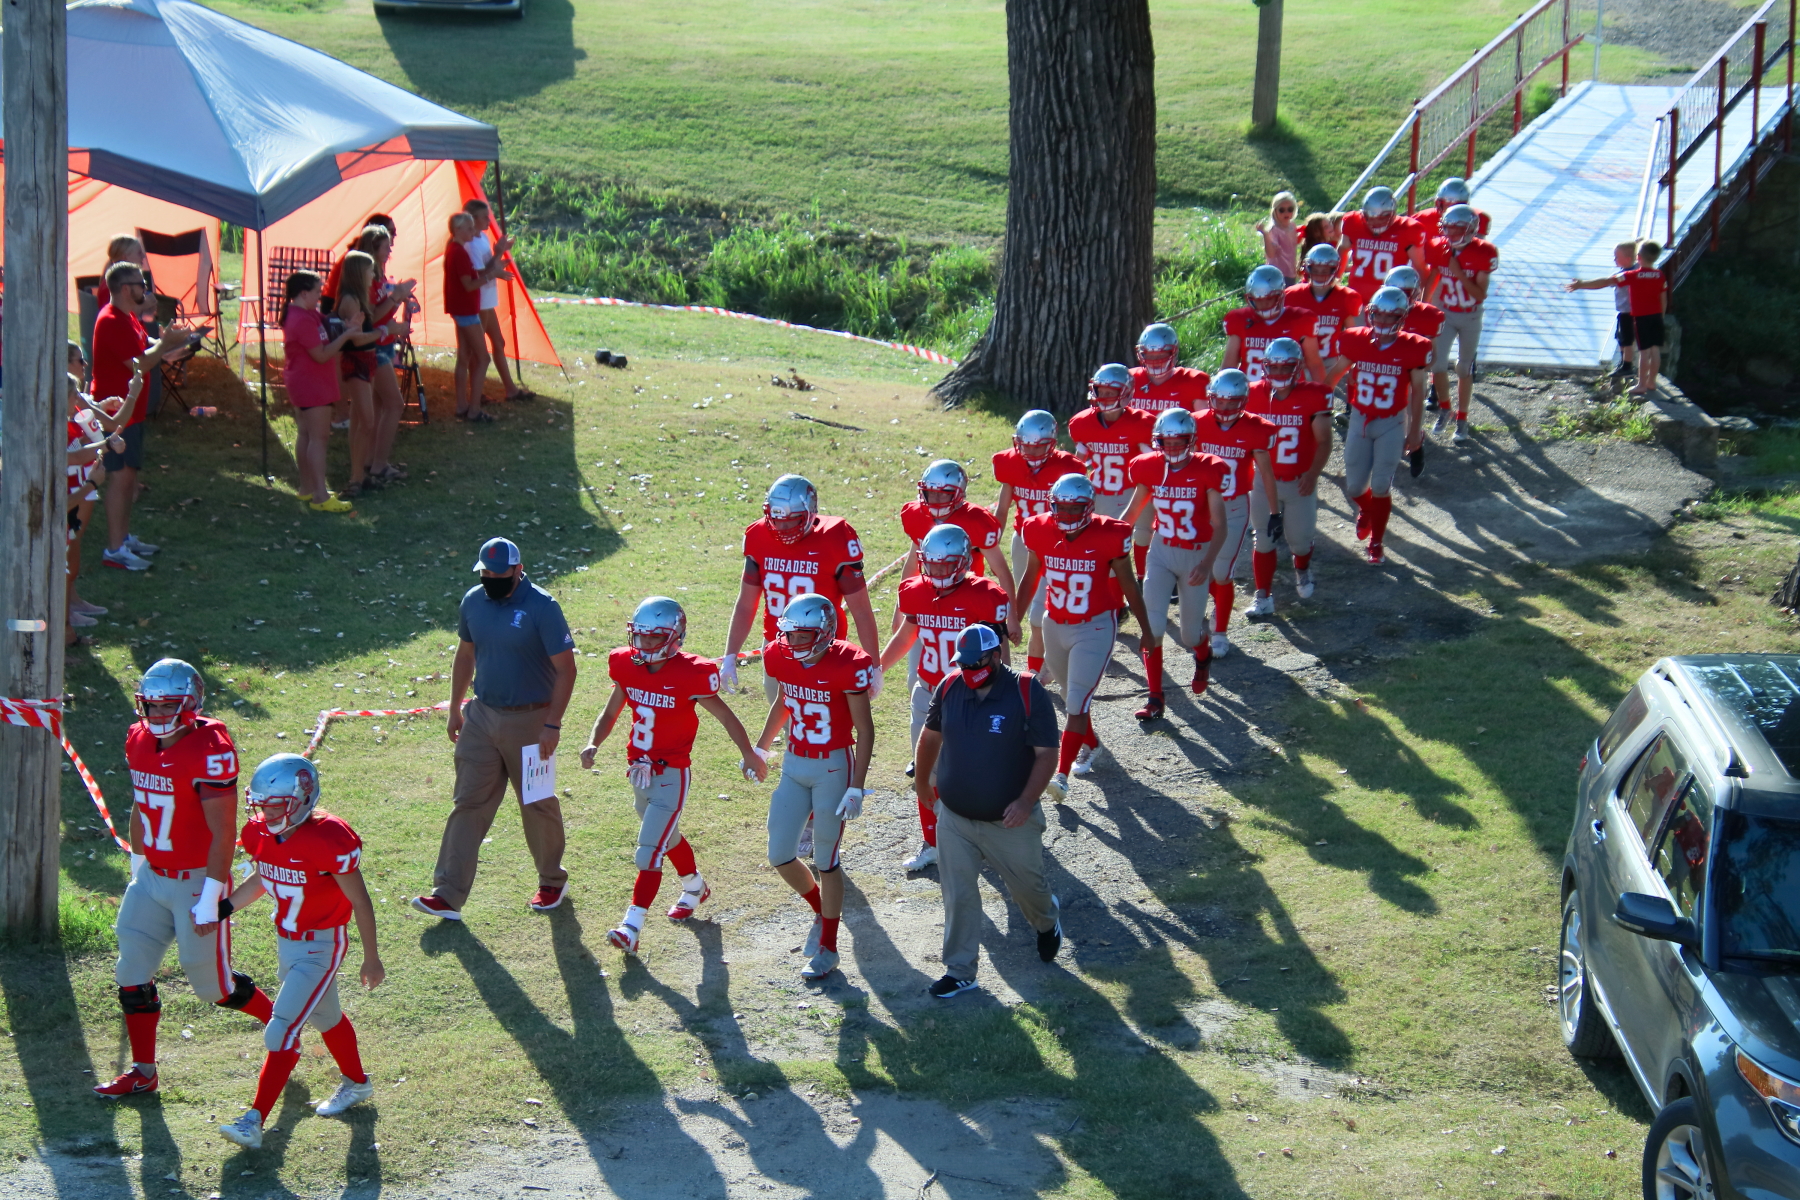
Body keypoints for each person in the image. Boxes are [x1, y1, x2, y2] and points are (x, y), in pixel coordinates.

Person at [95, 659, 275, 1098]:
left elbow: (223, 831)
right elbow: (141, 804)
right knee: (131, 971)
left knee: (213, 987)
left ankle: (281, 1023)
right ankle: (143, 1072)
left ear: (191, 703)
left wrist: (212, 896)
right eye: (150, 707)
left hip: (197, 880)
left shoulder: (210, 748)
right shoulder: (138, 739)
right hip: (153, 878)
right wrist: (139, 870)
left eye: (167, 707)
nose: (156, 717)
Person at [580, 596, 767, 954]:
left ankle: (631, 926)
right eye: (641, 636)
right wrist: (593, 743)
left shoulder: (691, 672)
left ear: (674, 637)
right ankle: (695, 886)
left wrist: (748, 753)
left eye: (654, 638)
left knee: (648, 851)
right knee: (668, 840)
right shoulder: (625, 664)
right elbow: (610, 713)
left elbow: (726, 717)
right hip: (639, 772)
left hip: (671, 775)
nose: (645, 644)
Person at [217, 755, 382, 1149]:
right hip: (287, 942)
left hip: (322, 944)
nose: (266, 812)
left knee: (281, 1028)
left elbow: (360, 901)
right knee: (326, 1016)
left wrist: (371, 956)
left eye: (276, 804)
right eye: (261, 804)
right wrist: (225, 908)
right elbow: (265, 874)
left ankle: (253, 1120)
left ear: (302, 798)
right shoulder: (260, 833)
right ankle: (357, 1084)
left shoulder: (329, 838)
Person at [413, 537, 578, 920]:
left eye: (499, 573)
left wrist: (552, 723)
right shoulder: (473, 601)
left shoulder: (543, 607)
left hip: (532, 720)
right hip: (482, 716)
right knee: (467, 803)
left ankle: (552, 881)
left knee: (537, 803)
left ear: (519, 570)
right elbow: (465, 654)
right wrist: (455, 707)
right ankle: (448, 894)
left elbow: (566, 669)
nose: (491, 579)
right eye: (485, 573)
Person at [913, 624, 1061, 1000]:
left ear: (996, 656)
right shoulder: (950, 687)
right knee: (958, 893)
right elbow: (930, 737)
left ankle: (1047, 922)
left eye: (975, 662)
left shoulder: (1028, 692)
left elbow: (1047, 755)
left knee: (1029, 890)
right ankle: (960, 970)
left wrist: (1027, 800)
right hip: (956, 817)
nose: (968, 670)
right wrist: (923, 783)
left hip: (1011, 821)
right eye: (963, 663)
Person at [753, 594, 877, 982]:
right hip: (793, 762)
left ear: (825, 632)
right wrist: (760, 747)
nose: (794, 643)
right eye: (790, 634)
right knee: (780, 853)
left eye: (804, 635)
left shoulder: (849, 664)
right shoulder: (780, 656)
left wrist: (856, 787)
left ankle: (829, 946)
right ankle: (819, 912)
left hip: (833, 766)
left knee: (826, 859)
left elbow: (865, 731)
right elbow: (783, 703)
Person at [879, 524, 1010, 871]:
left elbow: (999, 651)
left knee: (979, 769)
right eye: (930, 565)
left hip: (972, 695)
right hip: (929, 693)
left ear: (963, 561)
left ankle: (987, 839)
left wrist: (1004, 692)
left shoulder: (985, 595)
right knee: (927, 772)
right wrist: (876, 669)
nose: (935, 573)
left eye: (943, 565)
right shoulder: (915, 591)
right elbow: (908, 635)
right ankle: (932, 842)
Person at [1012, 474, 1149, 803]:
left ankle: (1060, 774)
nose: (1069, 516)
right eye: (1063, 509)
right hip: (1054, 623)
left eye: (1076, 509)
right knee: (1069, 694)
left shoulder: (1112, 533)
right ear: (1052, 505)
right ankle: (1093, 744)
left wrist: (1146, 628)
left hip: (1095, 626)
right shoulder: (1037, 528)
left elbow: (1129, 584)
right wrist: (1013, 619)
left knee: (1075, 701)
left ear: (1088, 507)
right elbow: (1031, 576)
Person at [722, 474, 879, 704]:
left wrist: (874, 664)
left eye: (792, 520)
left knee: (829, 728)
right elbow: (746, 604)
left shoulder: (835, 537)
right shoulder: (758, 535)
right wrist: (730, 654)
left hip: (825, 649)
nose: (782, 528)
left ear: (810, 512)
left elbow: (862, 611)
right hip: (778, 647)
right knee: (789, 729)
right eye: (776, 519)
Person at [1123, 409, 1229, 720]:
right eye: (1165, 442)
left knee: (1188, 635)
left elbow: (1220, 525)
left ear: (1192, 440)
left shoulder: (1209, 469)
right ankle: (1155, 697)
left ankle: (1203, 651)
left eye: (1178, 441)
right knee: (1152, 627)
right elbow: (1130, 515)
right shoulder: (1149, 468)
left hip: (1196, 554)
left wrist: (1208, 564)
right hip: (1161, 550)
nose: (1171, 448)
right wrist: (1106, 538)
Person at [93, 259, 191, 571]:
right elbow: (136, 364)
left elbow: (143, 346)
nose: (146, 290)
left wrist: (170, 345)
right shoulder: (111, 320)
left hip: (130, 413)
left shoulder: (127, 317)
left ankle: (122, 539)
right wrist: (165, 345)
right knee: (120, 480)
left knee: (129, 477)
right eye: (141, 285)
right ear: (125, 289)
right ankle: (114, 549)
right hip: (116, 416)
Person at [1325, 287, 1432, 565]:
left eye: (1390, 316)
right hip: (1360, 419)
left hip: (1391, 421)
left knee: (1382, 484)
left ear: (1403, 316)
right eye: (1379, 315)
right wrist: (1315, 403)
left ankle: (1377, 543)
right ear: (1370, 313)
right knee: (1355, 487)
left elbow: (1419, 393)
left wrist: (1415, 430)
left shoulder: (1415, 346)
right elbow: (1335, 374)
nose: (1383, 322)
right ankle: (1368, 511)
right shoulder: (1356, 340)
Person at [991, 411, 1088, 677]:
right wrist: (993, 543)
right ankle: (1038, 667)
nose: (1031, 452)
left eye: (1038, 446)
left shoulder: (1069, 468)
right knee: (1022, 602)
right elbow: (1002, 509)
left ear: (1052, 442)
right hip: (1023, 540)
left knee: (1038, 613)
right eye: (1026, 445)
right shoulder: (1010, 463)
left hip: (1054, 544)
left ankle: (1037, 670)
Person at [1188, 370, 1278, 655]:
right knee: (1199, 568)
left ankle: (1220, 631)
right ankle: (1204, 614)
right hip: (1200, 505)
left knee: (1222, 572)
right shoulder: (1196, 423)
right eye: (1220, 401)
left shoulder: (1256, 428)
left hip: (1234, 505)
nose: (1225, 408)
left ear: (1244, 400)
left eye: (1232, 402)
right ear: (1210, 398)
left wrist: (1275, 512)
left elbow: (1266, 473)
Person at [1246, 338, 1334, 613]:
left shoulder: (1315, 394)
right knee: (1263, 538)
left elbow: (1324, 441)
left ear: (1297, 369)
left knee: (1300, 539)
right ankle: (1263, 595)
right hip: (1262, 480)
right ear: (1265, 367)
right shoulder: (1250, 394)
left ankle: (1302, 568)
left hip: (1299, 481)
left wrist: (1313, 473)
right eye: (1275, 368)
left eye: (1287, 369)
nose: (1281, 375)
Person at [1126, 324, 1211, 581]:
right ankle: (1144, 578)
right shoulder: (1130, 379)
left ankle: (1176, 577)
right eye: (1149, 356)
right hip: (1143, 467)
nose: (1154, 362)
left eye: (1161, 356)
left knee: (1175, 529)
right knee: (1142, 530)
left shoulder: (1194, 381)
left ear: (1173, 354)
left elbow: (1203, 429)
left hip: (1179, 468)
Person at [280, 270, 357, 513]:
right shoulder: (301, 320)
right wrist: (347, 336)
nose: (320, 294)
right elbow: (321, 354)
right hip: (311, 384)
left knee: (306, 435)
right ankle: (321, 496)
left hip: (305, 381)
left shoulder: (306, 314)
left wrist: (345, 326)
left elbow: (325, 325)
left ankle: (307, 489)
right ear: (304, 293)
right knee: (318, 439)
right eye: (317, 290)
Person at [1423, 204, 1498, 443]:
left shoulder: (1485, 251)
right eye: (1449, 228)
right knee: (1436, 365)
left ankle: (1462, 418)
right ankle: (1446, 409)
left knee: (1464, 368)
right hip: (1445, 311)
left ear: (1471, 229)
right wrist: (1424, 308)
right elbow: (1432, 278)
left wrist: (1458, 270)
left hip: (1470, 315)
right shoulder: (1437, 246)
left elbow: (1479, 295)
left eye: (1458, 228)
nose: (1452, 233)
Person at [355, 224, 418, 484]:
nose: (390, 249)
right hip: (374, 348)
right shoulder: (366, 278)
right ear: (374, 249)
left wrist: (400, 297)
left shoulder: (379, 275)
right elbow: (371, 316)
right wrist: (395, 301)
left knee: (381, 406)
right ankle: (378, 465)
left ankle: (372, 460)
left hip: (383, 344)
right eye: (386, 246)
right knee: (394, 404)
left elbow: (382, 306)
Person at [1568, 239, 1667, 397]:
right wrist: (1661, 316)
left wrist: (1582, 284)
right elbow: (1663, 297)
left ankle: (1641, 384)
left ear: (1638, 257)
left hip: (1641, 317)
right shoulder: (1660, 275)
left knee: (1643, 352)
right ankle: (1651, 381)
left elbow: (1606, 282)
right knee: (1655, 351)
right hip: (1656, 317)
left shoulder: (1632, 275)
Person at [333, 251, 396, 498]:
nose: (374, 275)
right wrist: (385, 330)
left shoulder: (360, 297)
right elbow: (355, 339)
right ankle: (355, 478)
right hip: (356, 362)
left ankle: (359, 475)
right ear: (360, 272)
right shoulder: (350, 301)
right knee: (367, 421)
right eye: (370, 271)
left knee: (361, 420)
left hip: (367, 360)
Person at [445, 212, 512, 423]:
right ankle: (473, 409)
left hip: (461, 309)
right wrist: (492, 275)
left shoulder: (454, 249)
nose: (473, 231)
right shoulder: (460, 253)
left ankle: (462, 405)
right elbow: (468, 285)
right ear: (458, 231)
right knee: (483, 358)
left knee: (464, 356)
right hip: (466, 311)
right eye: (469, 228)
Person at [464, 199, 533, 404]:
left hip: (487, 299)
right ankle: (476, 393)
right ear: (473, 219)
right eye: (485, 217)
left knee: (498, 342)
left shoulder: (483, 237)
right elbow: (479, 274)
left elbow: (489, 267)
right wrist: (498, 256)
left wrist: (500, 256)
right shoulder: (470, 244)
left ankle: (510, 389)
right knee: (477, 351)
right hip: (479, 301)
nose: (489, 220)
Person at [1069, 364, 1155, 521]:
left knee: (1138, 534)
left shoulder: (1141, 424)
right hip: (1096, 492)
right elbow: (1079, 462)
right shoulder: (1082, 422)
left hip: (1128, 493)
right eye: (1100, 391)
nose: (1104, 396)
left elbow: (1154, 464)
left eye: (1110, 392)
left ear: (1126, 393)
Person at [1222, 266, 1325, 382]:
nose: (1263, 304)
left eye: (1269, 299)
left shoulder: (1300, 320)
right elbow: (1229, 367)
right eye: (1258, 300)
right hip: (1252, 394)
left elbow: (1314, 363)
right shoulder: (1239, 320)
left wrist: (1323, 394)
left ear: (1281, 296)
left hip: (1291, 394)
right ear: (1249, 299)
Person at [1337, 187, 1425, 304]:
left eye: (1382, 218)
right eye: (1370, 218)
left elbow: (1420, 268)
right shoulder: (1353, 222)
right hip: (1357, 297)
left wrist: (1420, 298)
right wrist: (1336, 279)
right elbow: (1342, 250)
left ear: (1393, 213)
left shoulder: (1408, 229)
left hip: (1391, 303)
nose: (1375, 223)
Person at [1284, 244, 1363, 369]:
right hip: (1299, 361)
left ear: (1335, 269)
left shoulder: (1346, 297)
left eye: (1325, 270)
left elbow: (1354, 335)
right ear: (1307, 268)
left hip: (1329, 362)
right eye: (1315, 269)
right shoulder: (1292, 295)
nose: (1319, 274)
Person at [1413, 177, 1492, 242]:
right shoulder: (1420, 219)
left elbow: (1477, 251)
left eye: (1453, 207)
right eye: (1447, 206)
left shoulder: (1478, 218)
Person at [1255, 191, 1301, 284]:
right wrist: (1265, 234)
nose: (1286, 213)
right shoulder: (1274, 230)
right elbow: (1271, 254)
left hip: (1290, 270)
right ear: (1275, 211)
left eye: (1290, 209)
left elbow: (1292, 246)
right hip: (1277, 273)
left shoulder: (1292, 226)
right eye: (1282, 210)